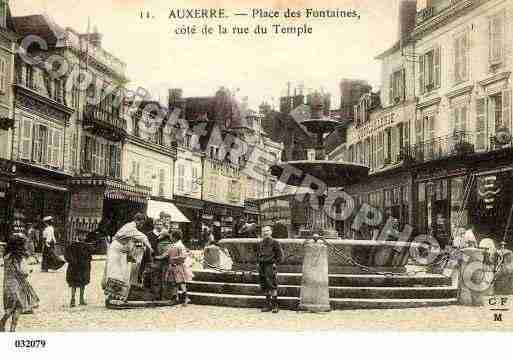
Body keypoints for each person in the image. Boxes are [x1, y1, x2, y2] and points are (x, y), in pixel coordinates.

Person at [103, 213, 152, 302]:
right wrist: (150, 248)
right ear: (138, 221)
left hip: (122, 251)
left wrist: (130, 254)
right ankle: (111, 296)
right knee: (115, 273)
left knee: (123, 273)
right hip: (116, 250)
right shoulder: (130, 227)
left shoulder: (131, 228)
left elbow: (131, 242)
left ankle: (118, 296)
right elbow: (143, 237)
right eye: (142, 223)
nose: (142, 225)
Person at [0, 234, 40, 332]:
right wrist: (28, 272)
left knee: (10, 308)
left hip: (8, 285)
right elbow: (20, 272)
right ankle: (11, 329)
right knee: (18, 307)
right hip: (17, 285)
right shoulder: (17, 258)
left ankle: (3, 322)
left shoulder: (7, 256)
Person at [157, 230, 193, 305]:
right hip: (173, 267)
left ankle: (185, 297)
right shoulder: (174, 245)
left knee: (181, 282)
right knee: (175, 283)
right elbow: (166, 254)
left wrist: (174, 259)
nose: (170, 238)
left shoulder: (180, 245)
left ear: (175, 237)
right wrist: (158, 257)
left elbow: (183, 256)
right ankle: (175, 297)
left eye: (171, 236)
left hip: (178, 266)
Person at [257, 226, 284, 313]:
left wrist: (275, 264)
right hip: (262, 266)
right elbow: (258, 254)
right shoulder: (260, 243)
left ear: (271, 232)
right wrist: (258, 263)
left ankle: (275, 305)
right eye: (264, 231)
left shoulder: (275, 242)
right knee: (264, 285)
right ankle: (268, 305)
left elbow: (280, 256)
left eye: (267, 231)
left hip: (270, 265)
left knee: (272, 285)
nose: (265, 233)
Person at [65, 237, 93, 307]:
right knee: (82, 284)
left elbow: (66, 256)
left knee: (73, 284)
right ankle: (81, 299)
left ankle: (73, 299)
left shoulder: (71, 246)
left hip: (73, 268)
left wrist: (72, 262)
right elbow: (90, 257)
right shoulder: (86, 247)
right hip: (83, 268)